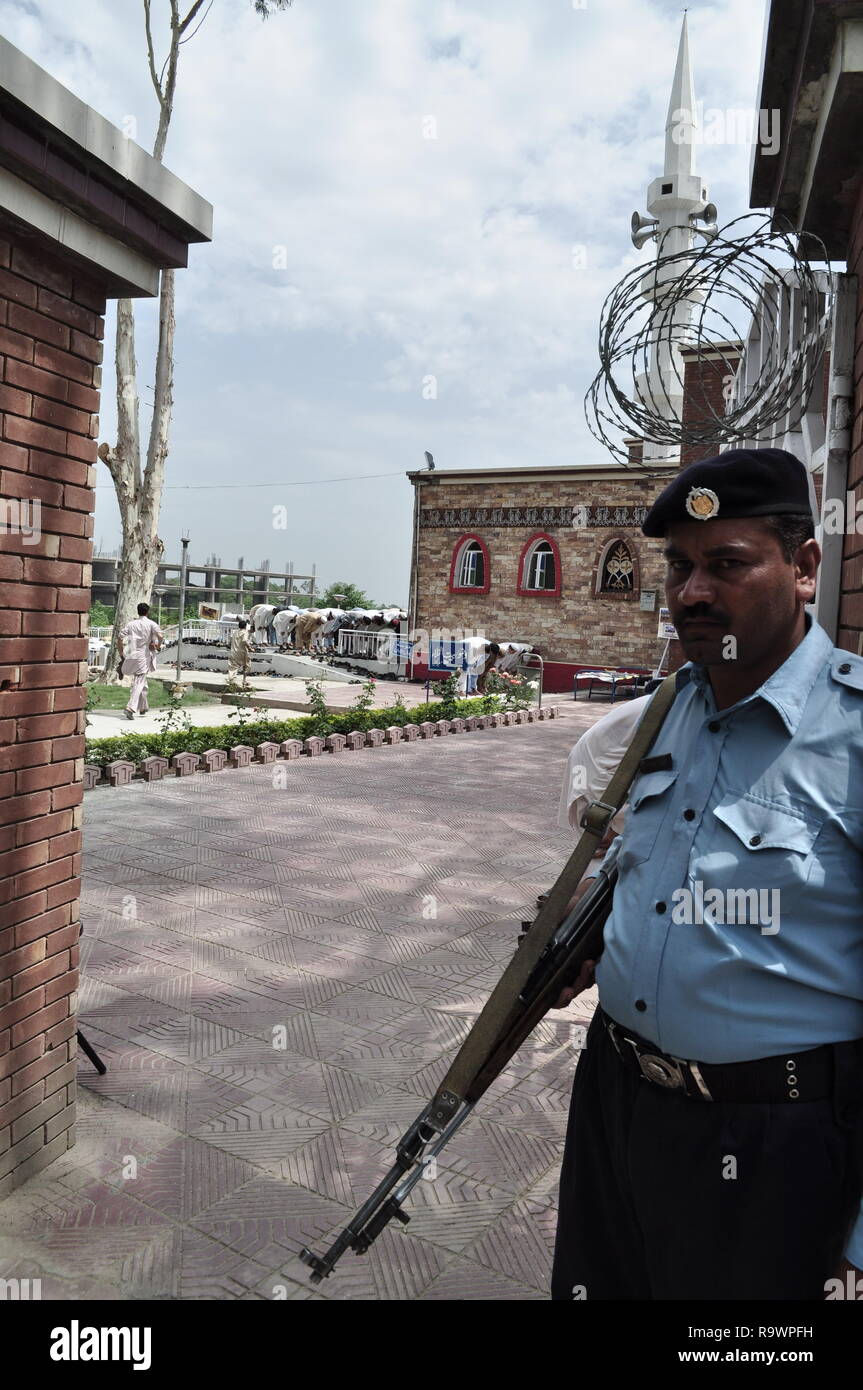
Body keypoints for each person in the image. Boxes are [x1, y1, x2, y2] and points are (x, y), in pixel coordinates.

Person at [551, 447, 863, 1302]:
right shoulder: (656, 718)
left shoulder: (854, 736)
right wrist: (599, 925)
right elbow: (643, 864)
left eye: (726, 565)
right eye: (679, 568)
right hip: (615, 1102)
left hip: (776, 1143)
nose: (691, 592)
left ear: (803, 568)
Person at [118, 601, 163, 720]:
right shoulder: (151, 624)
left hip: (132, 653)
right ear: (147, 612)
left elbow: (120, 637)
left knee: (143, 682)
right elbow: (161, 636)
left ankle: (143, 706)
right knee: (139, 680)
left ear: (138, 611)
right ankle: (130, 708)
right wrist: (157, 646)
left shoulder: (131, 624)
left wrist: (121, 652)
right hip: (144, 655)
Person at [227, 617, 254, 685]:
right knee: (247, 665)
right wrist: (250, 648)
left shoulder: (235, 633)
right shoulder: (245, 632)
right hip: (242, 652)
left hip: (234, 652)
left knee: (233, 667)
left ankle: (231, 681)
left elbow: (230, 642)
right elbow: (244, 641)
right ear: (245, 626)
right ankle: (244, 680)